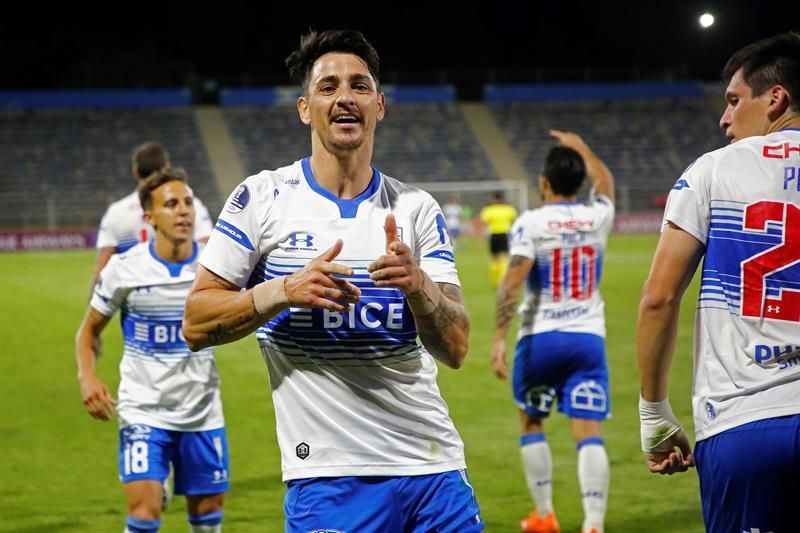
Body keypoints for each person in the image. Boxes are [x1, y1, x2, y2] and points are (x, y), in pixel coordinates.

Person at [182, 29, 483, 532]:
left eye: (359, 86)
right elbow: (195, 323)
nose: (345, 96)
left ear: (379, 106)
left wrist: (420, 287)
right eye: (328, 87)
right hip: (327, 478)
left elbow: (456, 347)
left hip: (434, 470)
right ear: (305, 109)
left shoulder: (416, 208)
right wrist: (282, 290)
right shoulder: (263, 198)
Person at [636, 32, 800, 533]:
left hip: (745, 421)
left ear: (775, 99)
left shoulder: (714, 170)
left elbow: (659, 298)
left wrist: (653, 413)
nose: (724, 119)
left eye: (734, 100)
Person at [76, 168, 229, 533]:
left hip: (202, 412)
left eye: (188, 202)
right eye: (171, 204)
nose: (183, 211)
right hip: (143, 410)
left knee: (208, 516)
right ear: (149, 217)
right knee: (144, 515)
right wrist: (87, 376)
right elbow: (88, 331)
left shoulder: (216, 267)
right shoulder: (124, 269)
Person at [490, 131, 615, 533]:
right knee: (588, 431)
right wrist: (582, 147)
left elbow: (512, 283)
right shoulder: (597, 216)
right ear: (579, 181)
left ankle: (544, 514)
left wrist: (498, 339)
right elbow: (606, 182)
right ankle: (593, 523)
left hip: (540, 339)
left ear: (544, 182)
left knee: (532, 422)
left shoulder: (531, 223)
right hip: (587, 338)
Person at [90, 141, 214, 295]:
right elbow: (208, 251)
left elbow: (102, 266)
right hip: (185, 292)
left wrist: (95, 302)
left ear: (135, 172)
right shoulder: (192, 204)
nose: (182, 208)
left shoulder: (116, 212)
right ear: (167, 167)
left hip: (137, 293)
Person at [479, 190, 518, 286]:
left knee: (494, 258)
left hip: (494, 236)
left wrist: (480, 239)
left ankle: (496, 280)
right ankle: (502, 280)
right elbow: (514, 221)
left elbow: (483, 223)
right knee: (504, 258)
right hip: (504, 235)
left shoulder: (488, 210)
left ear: (493, 199)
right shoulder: (509, 209)